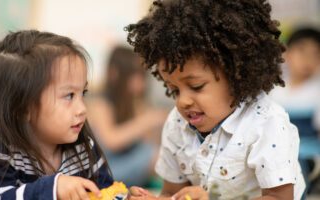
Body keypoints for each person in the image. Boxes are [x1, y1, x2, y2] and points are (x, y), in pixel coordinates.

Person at [125, 0, 305, 199]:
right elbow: (171, 193)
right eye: (174, 90)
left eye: (196, 86)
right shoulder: (177, 124)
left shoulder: (266, 123)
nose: (183, 102)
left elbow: (279, 198)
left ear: (237, 75)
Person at [0, 30, 113, 199]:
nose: (82, 109)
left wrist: (123, 196)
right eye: (69, 96)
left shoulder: (83, 145)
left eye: (83, 93)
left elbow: (103, 191)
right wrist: (53, 187)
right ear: (22, 108)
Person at [88, 46, 167, 187]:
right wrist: (147, 120)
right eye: (133, 76)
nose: (140, 83)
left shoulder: (135, 103)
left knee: (162, 153)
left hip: (129, 168)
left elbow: (148, 142)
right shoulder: (100, 103)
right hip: (105, 170)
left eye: (141, 76)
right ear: (116, 74)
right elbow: (111, 140)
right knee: (156, 156)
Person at [270, 27, 320, 193]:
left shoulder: (316, 92)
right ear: (287, 53)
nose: (308, 59)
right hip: (274, 153)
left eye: (315, 54)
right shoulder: (274, 90)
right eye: (302, 51)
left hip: (306, 156)